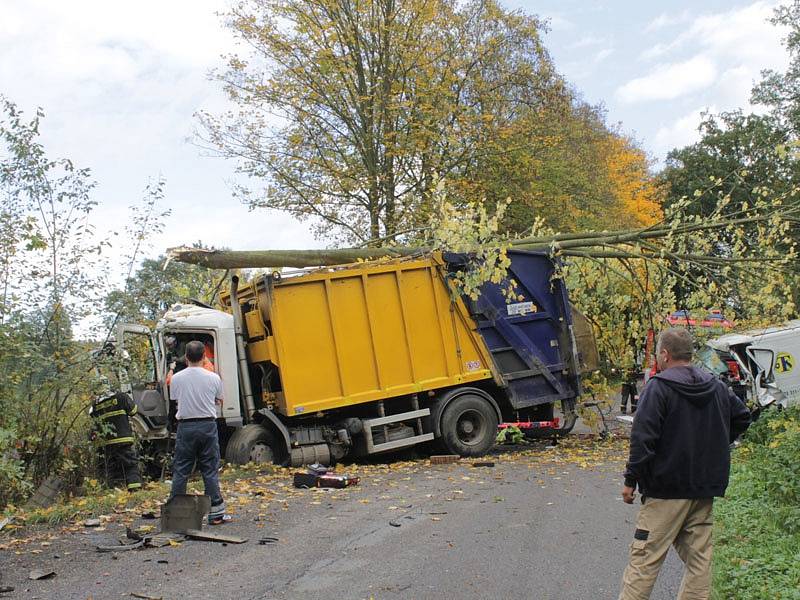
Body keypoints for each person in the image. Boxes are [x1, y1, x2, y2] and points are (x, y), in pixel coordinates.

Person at [618, 328, 751, 600]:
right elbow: (742, 417)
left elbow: (643, 438)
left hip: (666, 491)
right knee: (701, 560)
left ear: (665, 355)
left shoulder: (659, 387)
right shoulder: (715, 386)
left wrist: (631, 480)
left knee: (645, 559)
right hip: (703, 489)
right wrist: (715, 442)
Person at [168, 340, 229, 524]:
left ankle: (176, 516)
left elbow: (175, 398)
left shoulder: (177, 378)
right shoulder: (214, 378)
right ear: (204, 357)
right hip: (207, 427)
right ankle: (216, 514)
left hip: (185, 427)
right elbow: (219, 399)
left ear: (186, 357)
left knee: (181, 471)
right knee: (209, 470)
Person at [91, 389, 143, 492]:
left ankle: (109, 490)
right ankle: (135, 489)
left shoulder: (96, 405)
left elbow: (94, 422)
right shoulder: (121, 397)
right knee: (130, 464)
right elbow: (133, 411)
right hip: (123, 438)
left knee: (110, 467)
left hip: (107, 442)